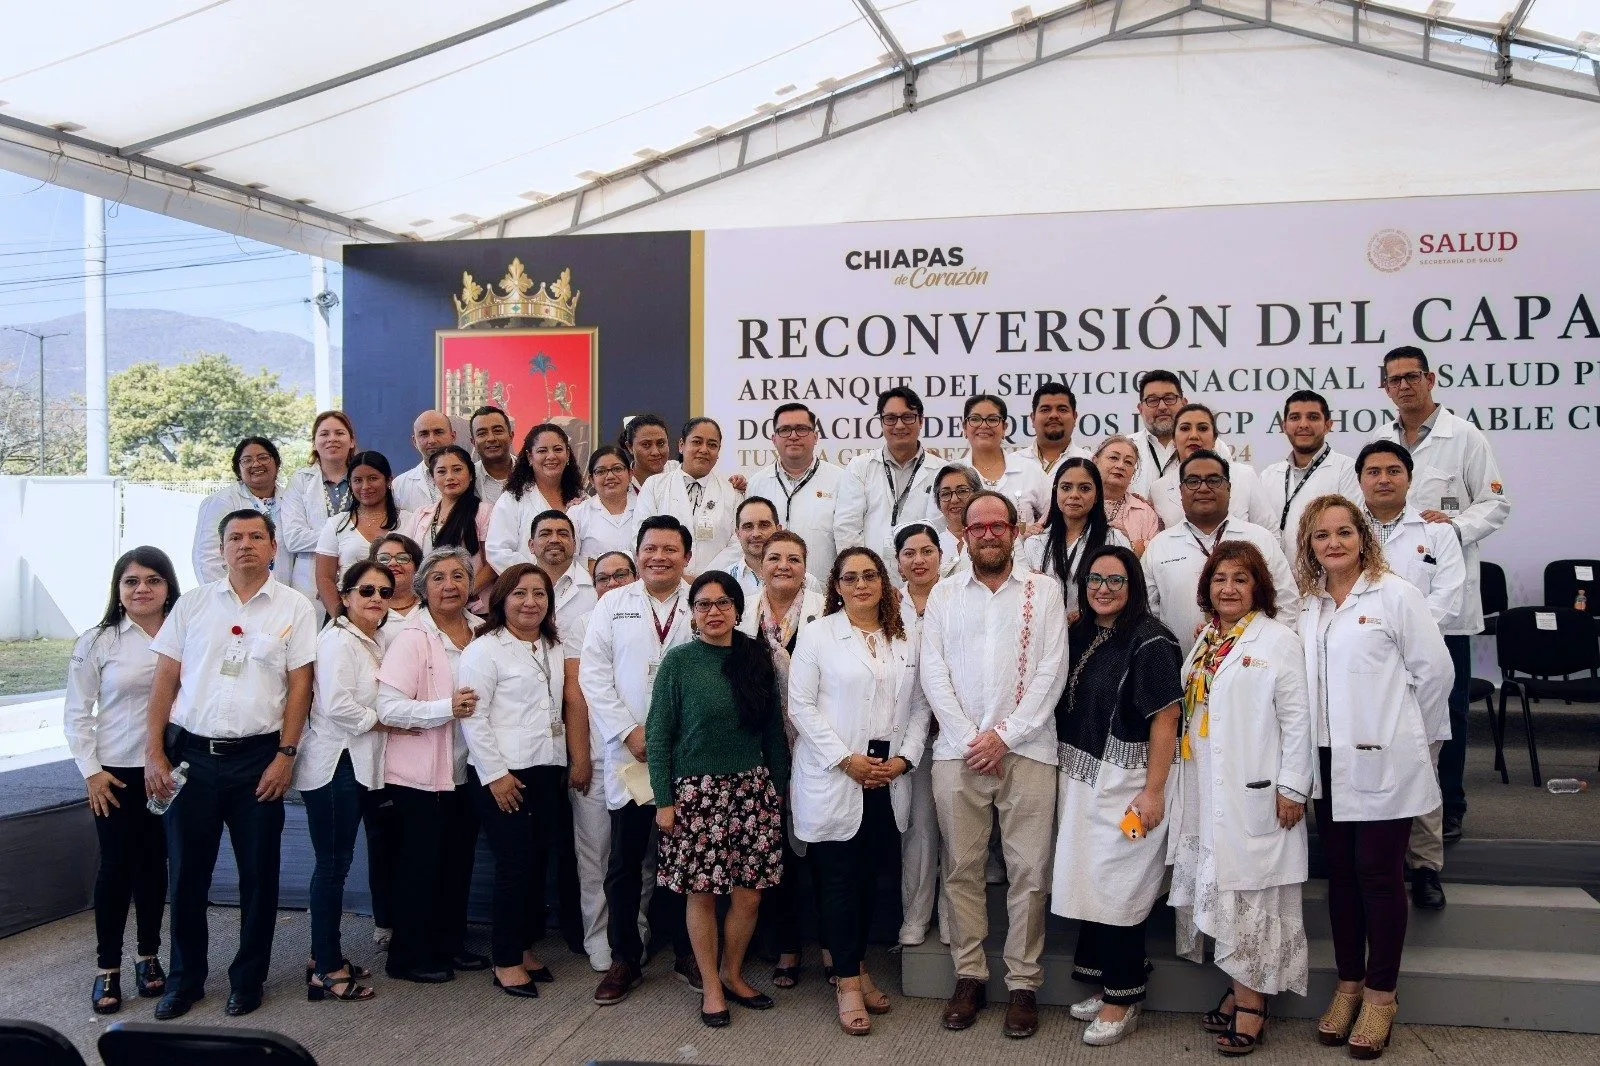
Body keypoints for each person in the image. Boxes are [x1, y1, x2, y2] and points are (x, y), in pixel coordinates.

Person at [1294, 495, 1453, 1058]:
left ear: (1363, 538)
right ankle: (1348, 984)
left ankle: (1382, 995)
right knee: (1340, 875)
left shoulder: (1396, 595)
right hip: (1328, 761)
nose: (1333, 543)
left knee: (1378, 875)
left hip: (1387, 760)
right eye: (1321, 536)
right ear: (1309, 546)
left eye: (1343, 532)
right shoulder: (1309, 606)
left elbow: (1435, 675)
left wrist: (1415, 747)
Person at [145, 509, 316, 1020]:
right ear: (220, 548)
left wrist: (285, 755)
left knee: (259, 877)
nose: (244, 545)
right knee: (188, 878)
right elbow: (165, 680)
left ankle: (248, 979)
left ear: (272, 546)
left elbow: (301, 686)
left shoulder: (294, 606)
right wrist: (153, 751)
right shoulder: (193, 606)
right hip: (192, 759)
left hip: (259, 762)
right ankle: (185, 981)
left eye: (255, 537)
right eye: (234, 537)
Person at [921, 490, 1067, 1040]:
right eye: (976, 526)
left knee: (1030, 872)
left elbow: (1052, 671)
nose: (987, 534)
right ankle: (970, 975)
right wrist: (968, 738)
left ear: (1014, 531)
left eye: (997, 525)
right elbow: (933, 673)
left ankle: (1024, 983)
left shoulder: (1044, 591)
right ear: (964, 533)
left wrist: (1003, 736)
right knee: (961, 867)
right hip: (958, 755)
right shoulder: (943, 595)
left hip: (1027, 750)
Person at [1168, 541, 1314, 1055]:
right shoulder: (1209, 638)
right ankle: (1238, 989)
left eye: (1240, 580)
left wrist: (1294, 786)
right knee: (1226, 890)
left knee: (1250, 896)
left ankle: (1252, 1005)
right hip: (1207, 788)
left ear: (1259, 588)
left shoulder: (1277, 640)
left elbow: (1299, 720)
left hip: (1257, 790)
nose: (1228, 588)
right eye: (1219, 579)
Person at [1371, 345, 1510, 846]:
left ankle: (1448, 804)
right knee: (1390, 709)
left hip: (1446, 612)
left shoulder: (1465, 437)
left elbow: (1495, 504)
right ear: (1385, 387)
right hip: (1387, 610)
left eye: (1412, 377)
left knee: (1446, 712)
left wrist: (1451, 526)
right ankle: (1394, 805)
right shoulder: (1382, 441)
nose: (1404, 386)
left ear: (1430, 379)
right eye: (1395, 380)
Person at [789, 548, 926, 1035]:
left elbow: (918, 707)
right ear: (837, 586)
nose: (862, 584)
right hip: (837, 774)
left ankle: (860, 966)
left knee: (870, 880)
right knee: (840, 884)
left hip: (885, 780)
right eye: (851, 578)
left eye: (870, 576)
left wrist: (904, 759)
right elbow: (800, 707)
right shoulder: (818, 634)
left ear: (883, 583)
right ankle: (847, 983)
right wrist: (846, 759)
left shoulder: (904, 638)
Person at [1050, 546, 1183, 1046]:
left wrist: (1153, 792)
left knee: (1119, 886)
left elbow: (1165, 718)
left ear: (1134, 588)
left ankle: (1123, 998)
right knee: (1093, 879)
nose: (1104, 588)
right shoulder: (1086, 632)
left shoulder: (1151, 641)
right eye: (1095, 579)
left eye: (1116, 580)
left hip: (1130, 790)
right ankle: (1110, 979)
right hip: (1087, 783)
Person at [648, 571, 790, 1028]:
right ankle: (710, 985)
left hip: (752, 789)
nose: (714, 611)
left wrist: (779, 789)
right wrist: (664, 799)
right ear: (692, 612)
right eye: (704, 604)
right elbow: (658, 733)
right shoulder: (679, 663)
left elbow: (772, 730)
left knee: (750, 895)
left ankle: (732, 973)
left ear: (737, 609)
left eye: (723, 603)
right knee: (703, 893)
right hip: (697, 794)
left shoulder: (755, 657)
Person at [580, 516, 700, 1004]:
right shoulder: (613, 604)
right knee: (626, 863)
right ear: (637, 553)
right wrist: (628, 731)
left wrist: (682, 739)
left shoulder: (702, 601)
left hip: (689, 755)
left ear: (686, 557)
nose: (659, 558)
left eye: (671, 550)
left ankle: (688, 952)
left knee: (687, 860)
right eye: (650, 549)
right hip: (629, 755)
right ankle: (624, 957)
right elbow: (593, 673)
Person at [66, 547, 180, 1015]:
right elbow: (77, 714)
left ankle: (148, 957)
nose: (142, 589)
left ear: (169, 586)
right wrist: (92, 773)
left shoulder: (185, 634)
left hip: (171, 774)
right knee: (115, 869)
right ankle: (107, 968)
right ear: (118, 589)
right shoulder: (98, 641)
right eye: (131, 581)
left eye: (152, 580)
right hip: (114, 774)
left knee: (155, 867)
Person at [459, 564, 581, 998]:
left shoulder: (551, 645)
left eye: (539, 594)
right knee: (514, 865)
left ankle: (525, 946)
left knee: (537, 862)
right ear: (501, 599)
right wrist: (495, 776)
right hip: (503, 773)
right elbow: (473, 719)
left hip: (546, 766)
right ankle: (506, 959)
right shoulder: (484, 650)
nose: (530, 602)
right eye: (519, 594)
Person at [1357, 440, 1466, 912]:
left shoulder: (1437, 533)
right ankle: (1375, 863)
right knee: (1367, 764)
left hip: (1420, 666)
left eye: (1393, 470)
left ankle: (1425, 867)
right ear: (1359, 480)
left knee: (1423, 764)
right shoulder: (1344, 529)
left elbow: (1449, 595)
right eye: (1374, 471)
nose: (1383, 479)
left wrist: (1405, 639)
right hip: (1360, 669)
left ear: (1408, 477)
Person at [296, 561, 409, 1004]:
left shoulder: (371, 639)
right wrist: (385, 722)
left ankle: (321, 955)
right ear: (343, 597)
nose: (376, 599)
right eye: (366, 591)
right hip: (333, 766)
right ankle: (327, 969)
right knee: (332, 866)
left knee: (336, 865)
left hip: (355, 764)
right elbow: (338, 705)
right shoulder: (338, 641)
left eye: (384, 592)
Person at [375, 547, 489, 983]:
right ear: (423, 586)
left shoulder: (481, 631)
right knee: (419, 867)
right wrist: (444, 708)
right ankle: (408, 958)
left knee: (456, 864)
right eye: (438, 577)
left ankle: (449, 945)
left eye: (459, 576)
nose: (449, 585)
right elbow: (388, 708)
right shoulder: (411, 636)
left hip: (468, 770)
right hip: (419, 776)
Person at [736, 529, 824, 985]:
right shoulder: (742, 611)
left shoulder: (827, 608)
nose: (783, 565)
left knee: (824, 853)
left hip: (817, 747)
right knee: (775, 854)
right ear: (761, 563)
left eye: (793, 557)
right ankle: (787, 947)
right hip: (762, 749)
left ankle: (831, 948)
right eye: (775, 557)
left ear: (805, 564)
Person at [567, 551, 651, 973]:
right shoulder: (589, 622)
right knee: (609, 856)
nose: (613, 583)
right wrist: (626, 733)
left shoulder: (684, 604)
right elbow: (584, 690)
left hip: (666, 753)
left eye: (622, 574)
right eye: (603, 577)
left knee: (654, 859)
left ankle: (644, 935)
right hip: (614, 752)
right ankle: (609, 943)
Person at [1142, 450, 1299, 644]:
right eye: (1193, 481)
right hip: (1177, 668)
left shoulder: (1260, 539)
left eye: (1213, 480)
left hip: (1250, 666)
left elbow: (1287, 603)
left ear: (1229, 488)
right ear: (1181, 491)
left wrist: (1263, 649)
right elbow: (1147, 613)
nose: (1203, 488)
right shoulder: (1159, 546)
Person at [893, 522, 948, 949]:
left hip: (955, 730)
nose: (918, 560)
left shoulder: (956, 597)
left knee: (958, 828)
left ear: (940, 557)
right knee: (918, 828)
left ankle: (952, 917)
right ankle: (915, 916)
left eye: (926, 551)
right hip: (908, 733)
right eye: (909, 553)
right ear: (898, 562)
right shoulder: (888, 605)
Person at [835, 386, 940, 567]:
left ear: (921, 421)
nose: (899, 425)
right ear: (882, 422)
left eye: (907, 417)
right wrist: (869, 574)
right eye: (890, 418)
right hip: (871, 579)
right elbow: (847, 528)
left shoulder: (941, 471)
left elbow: (941, 530)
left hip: (925, 576)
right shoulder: (860, 467)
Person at [744, 402, 842, 584]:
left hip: (824, 594)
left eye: (801, 429)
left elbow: (847, 539)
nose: (793, 436)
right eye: (785, 430)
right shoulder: (757, 483)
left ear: (815, 436)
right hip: (768, 592)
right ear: (774, 439)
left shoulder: (840, 480)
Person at [636, 417, 744, 576]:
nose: (704, 449)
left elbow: (738, 543)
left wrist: (704, 579)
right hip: (664, 579)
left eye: (712, 445)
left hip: (715, 585)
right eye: (697, 442)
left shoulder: (732, 493)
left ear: (718, 452)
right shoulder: (654, 486)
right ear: (681, 445)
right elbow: (640, 536)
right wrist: (677, 576)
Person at [1024, 458, 1131, 616]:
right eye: (1066, 487)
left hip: (1098, 633)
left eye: (1085, 488)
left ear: (1096, 496)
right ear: (1056, 492)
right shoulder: (1035, 543)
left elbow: (1129, 593)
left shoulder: (1114, 540)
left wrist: (1086, 615)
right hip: (1047, 635)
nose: (1074, 495)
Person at [1259, 390, 1362, 553]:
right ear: (1284, 426)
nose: (1303, 425)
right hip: (1275, 575)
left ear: (1328, 425)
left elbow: (1353, 530)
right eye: (1295, 418)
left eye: (1313, 417)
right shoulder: (1268, 475)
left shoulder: (1348, 470)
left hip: (1328, 575)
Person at [315, 450, 411, 618]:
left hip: (403, 615)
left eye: (373, 478)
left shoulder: (410, 520)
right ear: (350, 484)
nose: (365, 486)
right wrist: (342, 619)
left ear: (389, 480)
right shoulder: (336, 524)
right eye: (358, 480)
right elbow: (324, 578)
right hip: (349, 616)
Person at [1150, 404, 1273, 529]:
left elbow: (1270, 531)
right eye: (1185, 428)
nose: (1193, 435)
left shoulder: (1245, 476)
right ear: (1174, 439)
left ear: (1214, 438)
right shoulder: (1158, 489)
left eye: (1202, 428)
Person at [282, 412, 358, 611]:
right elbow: (294, 538)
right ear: (314, 443)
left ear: (351, 441)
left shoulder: (364, 478)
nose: (332, 439)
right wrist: (348, 538)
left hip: (357, 578)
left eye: (339, 433)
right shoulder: (300, 481)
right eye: (324, 434)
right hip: (309, 584)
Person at [487, 423, 587, 572]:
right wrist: (540, 574)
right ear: (530, 457)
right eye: (542, 451)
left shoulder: (581, 497)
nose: (551, 456)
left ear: (567, 454)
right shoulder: (512, 498)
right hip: (529, 588)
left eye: (558, 449)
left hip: (575, 587)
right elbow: (497, 552)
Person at [192, 438, 293, 583]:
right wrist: (224, 599)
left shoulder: (290, 499)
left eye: (263, 457)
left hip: (283, 595)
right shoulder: (222, 501)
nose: (256, 464)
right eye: (246, 460)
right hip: (236, 597)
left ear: (276, 462)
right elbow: (206, 558)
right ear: (238, 468)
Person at [405, 444, 494, 600]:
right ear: (433, 478)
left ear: (471, 475)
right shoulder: (421, 515)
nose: (450, 477)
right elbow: (409, 560)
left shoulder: (484, 512)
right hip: (428, 605)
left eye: (457, 469)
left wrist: (462, 594)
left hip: (472, 606)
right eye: (441, 471)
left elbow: (493, 564)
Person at [959, 394, 1049, 527]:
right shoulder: (952, 473)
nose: (983, 425)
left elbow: (1054, 517)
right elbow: (937, 525)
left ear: (1004, 428)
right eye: (975, 419)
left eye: (992, 419)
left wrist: (1036, 534)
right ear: (965, 427)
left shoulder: (1030, 470)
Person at [570, 445, 638, 566]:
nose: (610, 476)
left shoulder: (645, 508)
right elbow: (570, 559)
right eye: (601, 471)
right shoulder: (577, 513)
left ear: (630, 473)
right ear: (591, 479)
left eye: (617, 469)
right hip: (591, 583)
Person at [1094, 435, 1163, 554]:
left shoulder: (1145, 512)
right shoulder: (1079, 502)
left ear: (1133, 473)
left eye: (1128, 462)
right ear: (1095, 461)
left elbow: (1155, 557)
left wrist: (1131, 546)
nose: (1120, 466)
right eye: (1114, 458)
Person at [1126, 369, 1186, 501]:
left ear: (1184, 403)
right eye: (1153, 400)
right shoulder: (1125, 448)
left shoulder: (1209, 445)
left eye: (1169, 398)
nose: (1162, 406)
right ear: (1140, 409)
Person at [1020, 382, 1093, 482]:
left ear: (1075, 417)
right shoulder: (1012, 463)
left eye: (1062, 409)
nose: (1053, 415)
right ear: (1033, 418)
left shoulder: (1091, 462)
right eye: (1045, 410)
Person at [391, 410, 456, 512]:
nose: (432, 440)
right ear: (414, 441)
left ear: (453, 436)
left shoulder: (471, 477)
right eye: (424, 434)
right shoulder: (399, 485)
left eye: (438, 432)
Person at [929, 463, 982, 576]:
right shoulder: (930, 544)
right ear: (938, 502)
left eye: (962, 491)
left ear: (978, 494)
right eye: (945, 494)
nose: (954, 500)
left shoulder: (996, 536)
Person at [371, 533, 425, 637]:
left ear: (417, 566)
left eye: (403, 558)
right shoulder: (365, 608)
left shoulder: (432, 605)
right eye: (383, 559)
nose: (393, 563)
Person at [470, 405, 515, 506]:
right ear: (473, 442)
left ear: (511, 436)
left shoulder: (531, 473)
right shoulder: (467, 479)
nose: (491, 438)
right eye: (482, 433)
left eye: (497, 431)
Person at [620, 413, 676, 493]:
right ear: (630, 447)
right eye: (646, 444)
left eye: (661, 443)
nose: (655, 452)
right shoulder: (620, 483)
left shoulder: (681, 472)